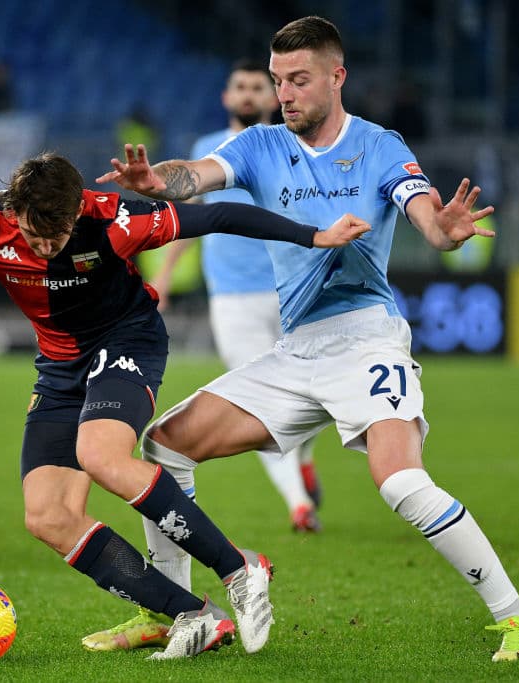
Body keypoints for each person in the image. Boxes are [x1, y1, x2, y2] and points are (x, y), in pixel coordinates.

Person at [93, 16, 519, 663]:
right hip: (296, 349)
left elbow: (429, 218)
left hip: (366, 341)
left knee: (400, 481)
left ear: (337, 76)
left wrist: (444, 232)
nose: (286, 94)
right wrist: (154, 182)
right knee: (165, 444)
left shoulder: (380, 146)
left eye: (298, 80)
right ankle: (174, 609)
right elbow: (192, 174)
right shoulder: (261, 146)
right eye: (279, 81)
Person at [0, 152, 371, 659]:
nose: (42, 249)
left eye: (54, 239)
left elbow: (218, 215)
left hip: (127, 341)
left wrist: (313, 235)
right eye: (32, 237)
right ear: (13, 212)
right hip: (60, 367)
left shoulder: (115, 219)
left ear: (76, 214)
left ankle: (240, 567)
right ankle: (193, 616)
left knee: (100, 455)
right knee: (48, 517)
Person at [153, 59, 323, 534]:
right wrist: (165, 275)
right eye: (240, 87)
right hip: (232, 298)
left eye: (257, 87)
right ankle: (299, 502)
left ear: (273, 98)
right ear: (227, 98)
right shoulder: (206, 152)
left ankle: (304, 459)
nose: (248, 94)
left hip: (295, 290)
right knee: (263, 405)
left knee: (313, 394)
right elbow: (184, 221)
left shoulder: (295, 147)